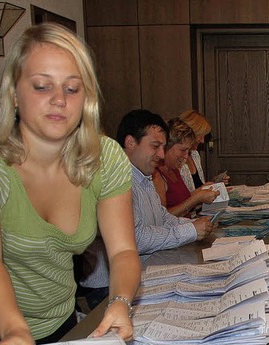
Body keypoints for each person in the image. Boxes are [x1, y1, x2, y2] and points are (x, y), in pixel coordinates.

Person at [0, 23, 140, 345]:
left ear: (86, 98)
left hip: (63, 326)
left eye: (72, 87)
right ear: (15, 93)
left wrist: (120, 300)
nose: (59, 100)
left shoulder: (106, 158)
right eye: (42, 86)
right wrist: (13, 329)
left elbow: (123, 251)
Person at [77, 110, 215, 309]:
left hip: (144, 274)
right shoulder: (113, 178)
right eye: (155, 146)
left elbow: (162, 216)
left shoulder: (143, 175)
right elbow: (136, 238)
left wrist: (193, 225)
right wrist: (190, 230)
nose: (161, 155)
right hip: (109, 288)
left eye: (162, 147)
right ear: (131, 143)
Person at [153, 117, 219, 218]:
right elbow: (162, 219)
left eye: (188, 151)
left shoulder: (174, 169)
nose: (185, 156)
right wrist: (196, 199)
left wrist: (201, 196)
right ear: (167, 146)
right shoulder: (156, 175)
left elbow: (182, 204)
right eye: (183, 150)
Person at [178, 109, 230, 191]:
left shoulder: (195, 155)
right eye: (200, 135)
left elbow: (199, 187)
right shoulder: (176, 160)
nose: (202, 141)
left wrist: (214, 182)